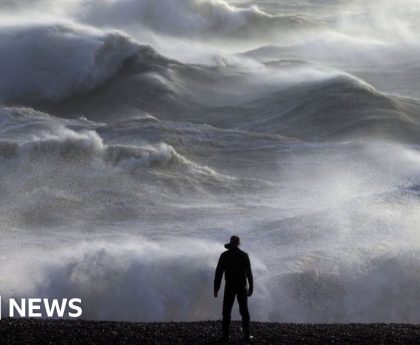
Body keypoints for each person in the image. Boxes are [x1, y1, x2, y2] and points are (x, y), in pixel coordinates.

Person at [214, 235, 253, 341]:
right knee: (244, 311)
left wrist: (216, 288)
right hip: (241, 286)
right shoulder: (244, 255)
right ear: (239, 243)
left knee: (226, 311)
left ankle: (226, 335)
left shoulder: (224, 255)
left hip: (230, 286)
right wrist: (251, 288)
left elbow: (219, 273)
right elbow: (249, 273)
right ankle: (246, 335)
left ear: (231, 242)